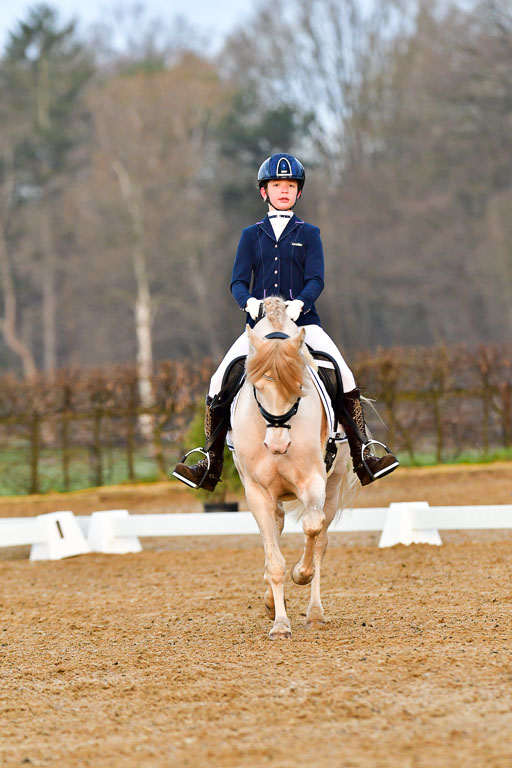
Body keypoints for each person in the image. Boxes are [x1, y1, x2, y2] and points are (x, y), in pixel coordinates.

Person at [173, 153, 399, 491]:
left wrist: (300, 303)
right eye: (277, 185)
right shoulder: (251, 235)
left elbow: (316, 279)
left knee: (344, 374)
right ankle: (210, 461)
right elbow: (238, 281)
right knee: (218, 379)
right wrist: (248, 303)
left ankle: (363, 454)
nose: (283, 191)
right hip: (260, 327)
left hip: (304, 323)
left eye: (290, 186)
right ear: (264, 191)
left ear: (298, 192)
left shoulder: (309, 233)